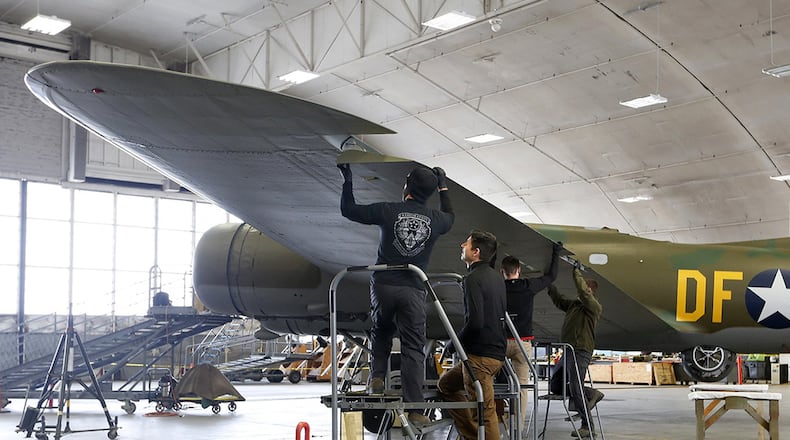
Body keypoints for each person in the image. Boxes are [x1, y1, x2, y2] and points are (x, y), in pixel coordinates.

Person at [338, 162, 454, 427]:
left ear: (406, 188)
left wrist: (347, 179)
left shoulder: (389, 210)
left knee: (381, 330)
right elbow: (451, 215)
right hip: (413, 288)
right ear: (430, 193)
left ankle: (377, 378)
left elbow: (349, 210)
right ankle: (415, 409)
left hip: (383, 285)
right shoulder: (436, 221)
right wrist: (444, 185)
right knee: (414, 347)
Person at [438, 230, 506, 440]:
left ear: (476, 252)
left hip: (479, 357)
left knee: (485, 412)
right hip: (496, 352)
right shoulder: (496, 278)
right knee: (446, 385)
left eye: (466, 244)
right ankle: (472, 436)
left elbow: (475, 323)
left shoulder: (472, 279)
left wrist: (453, 343)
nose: (462, 246)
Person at [500, 242, 561, 425]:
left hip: (500, 343)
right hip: (522, 343)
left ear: (502, 271)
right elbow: (551, 276)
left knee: (493, 383)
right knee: (522, 386)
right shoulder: (528, 286)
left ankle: (497, 417)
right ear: (518, 269)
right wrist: (555, 252)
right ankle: (517, 427)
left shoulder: (497, 287)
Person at [547, 267, 604, 439]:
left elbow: (583, 293)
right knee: (556, 386)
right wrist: (549, 284)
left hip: (581, 351)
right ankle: (591, 394)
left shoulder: (593, 307)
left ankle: (588, 426)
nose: (581, 292)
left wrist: (576, 273)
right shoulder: (575, 305)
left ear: (590, 291)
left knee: (575, 386)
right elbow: (559, 300)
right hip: (568, 351)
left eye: (585, 289)